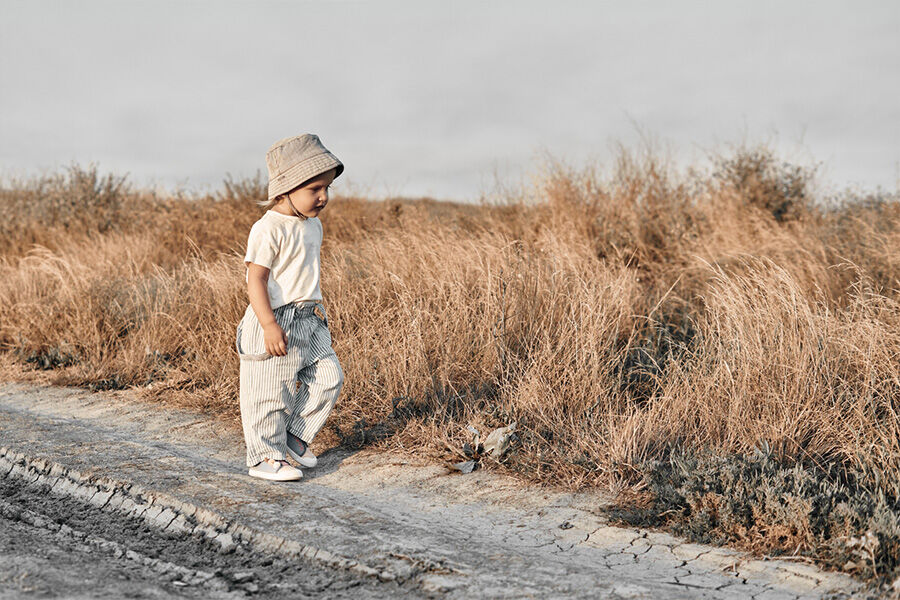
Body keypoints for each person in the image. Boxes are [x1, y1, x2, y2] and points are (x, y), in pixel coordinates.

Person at [235, 134, 345, 481]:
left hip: (310, 316)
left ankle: (293, 437)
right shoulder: (268, 228)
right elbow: (256, 279)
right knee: (270, 392)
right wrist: (268, 325)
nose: (324, 197)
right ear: (287, 189)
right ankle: (264, 458)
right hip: (275, 317)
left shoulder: (313, 225)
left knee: (329, 377)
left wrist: (319, 314)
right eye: (315, 188)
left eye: (327, 187)